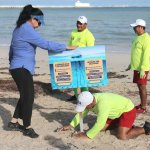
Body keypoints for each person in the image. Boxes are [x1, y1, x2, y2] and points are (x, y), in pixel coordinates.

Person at [8, 4, 76, 138]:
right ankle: (27, 127)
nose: (39, 24)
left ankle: (14, 122)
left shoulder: (18, 28)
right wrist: (66, 47)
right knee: (29, 97)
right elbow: (45, 44)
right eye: (39, 21)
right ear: (33, 18)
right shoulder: (27, 29)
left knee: (25, 95)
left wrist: (12, 63)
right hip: (21, 67)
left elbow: (11, 48)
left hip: (18, 67)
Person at [58, 91, 150, 140]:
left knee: (122, 136)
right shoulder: (89, 98)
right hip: (114, 113)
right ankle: (125, 126)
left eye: (85, 106)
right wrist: (71, 125)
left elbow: (100, 123)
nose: (84, 108)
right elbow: (82, 113)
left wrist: (87, 135)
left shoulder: (103, 104)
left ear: (91, 102)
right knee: (100, 129)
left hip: (127, 110)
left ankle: (146, 128)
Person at [67, 16, 95, 101]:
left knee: (83, 81)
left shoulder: (89, 35)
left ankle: (86, 98)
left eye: (81, 23)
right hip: (73, 59)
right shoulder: (73, 32)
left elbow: (91, 50)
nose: (78, 25)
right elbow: (69, 45)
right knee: (74, 79)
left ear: (86, 24)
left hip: (83, 61)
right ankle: (76, 95)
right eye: (78, 23)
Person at [126, 19, 150, 113]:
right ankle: (141, 104)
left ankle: (143, 107)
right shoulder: (136, 37)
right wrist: (131, 64)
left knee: (142, 87)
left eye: (135, 27)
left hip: (142, 68)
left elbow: (146, 54)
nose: (134, 29)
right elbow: (135, 53)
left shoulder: (146, 38)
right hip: (136, 67)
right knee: (139, 86)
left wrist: (143, 69)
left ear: (141, 27)